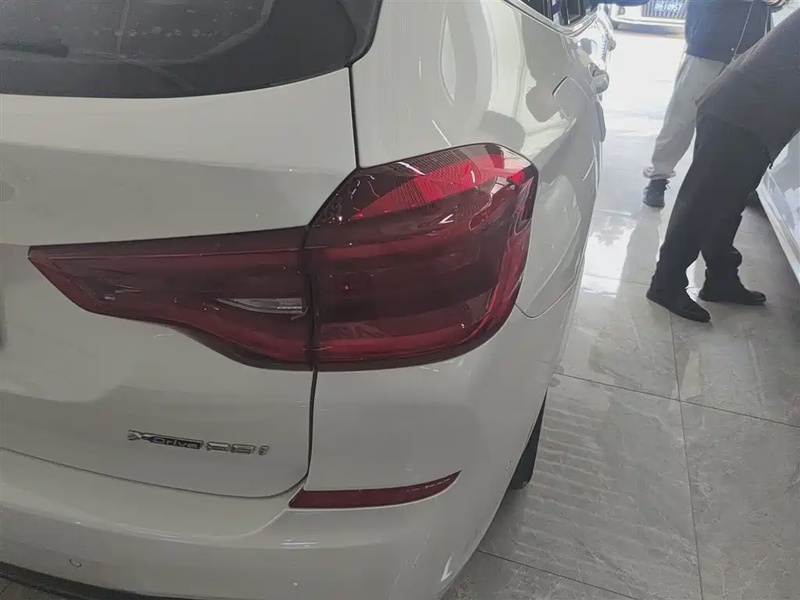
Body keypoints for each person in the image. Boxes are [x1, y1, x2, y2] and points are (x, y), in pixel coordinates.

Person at [646, 6, 800, 322]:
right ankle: (665, 283)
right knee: (704, 201)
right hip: (742, 109)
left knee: (728, 202)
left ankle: (721, 278)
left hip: (754, 109)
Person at [641, 0, 786, 208]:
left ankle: (718, 185)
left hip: (750, 52)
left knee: (735, 123)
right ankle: (658, 178)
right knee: (681, 116)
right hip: (708, 44)